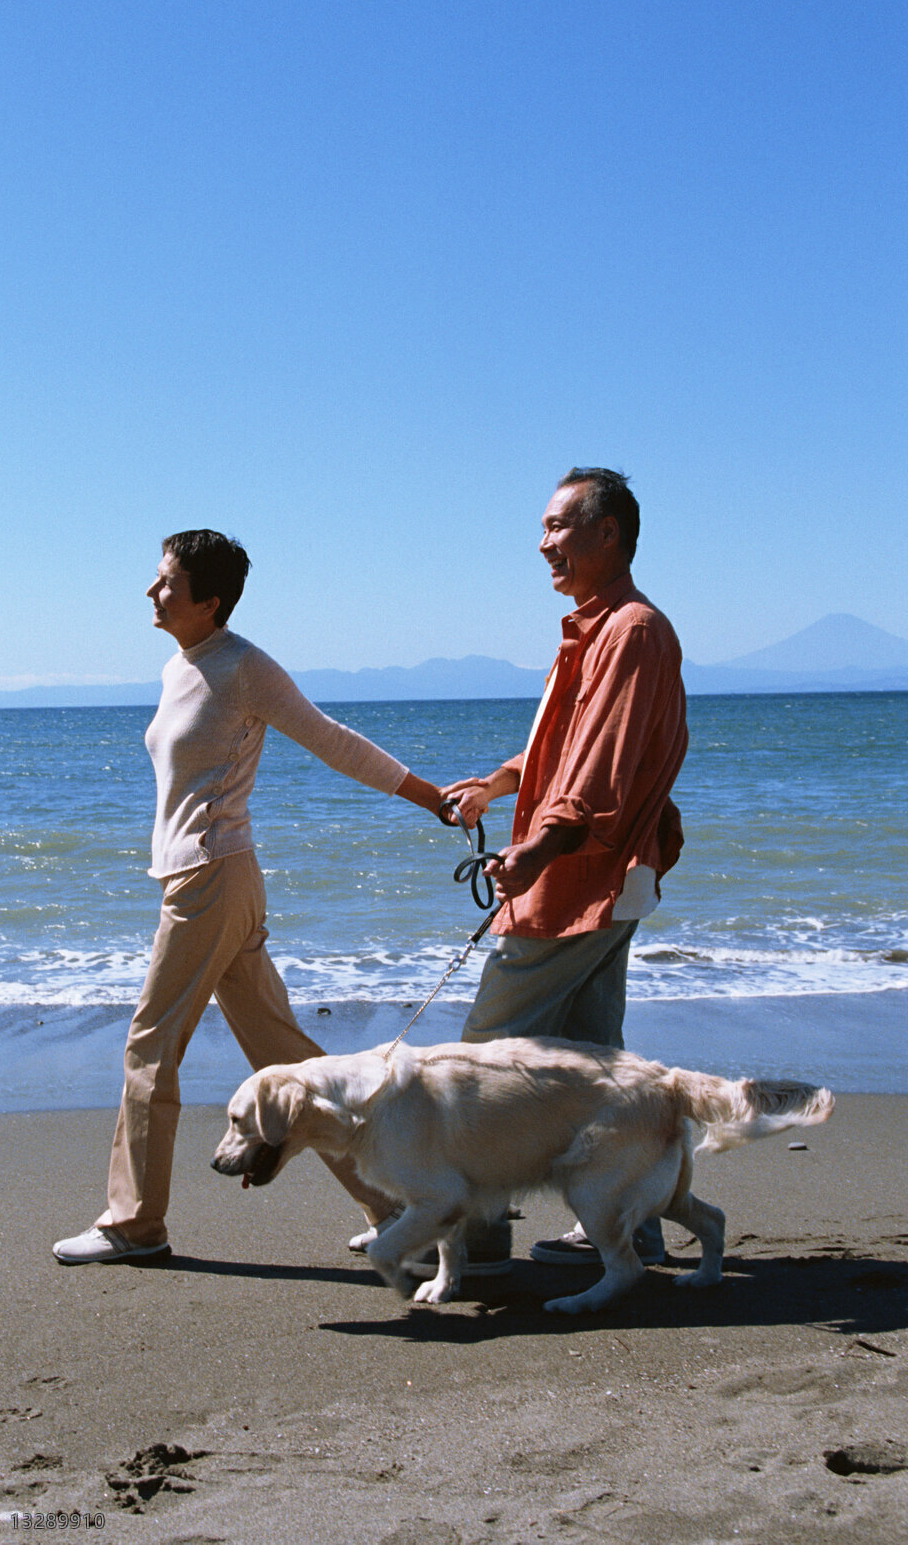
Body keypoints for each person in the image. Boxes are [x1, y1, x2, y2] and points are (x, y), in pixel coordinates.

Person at [54, 529, 443, 1264]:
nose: (151, 591)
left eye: (166, 582)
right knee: (283, 1054)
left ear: (212, 601)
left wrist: (429, 798)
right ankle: (399, 1208)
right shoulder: (181, 667)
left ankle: (134, 1223)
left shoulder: (244, 668)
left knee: (149, 1047)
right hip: (209, 880)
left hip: (212, 879)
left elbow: (333, 740)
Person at [442, 467, 687, 1270]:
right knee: (596, 1064)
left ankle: (472, 1242)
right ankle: (629, 1229)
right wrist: (503, 781)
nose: (543, 543)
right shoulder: (600, 626)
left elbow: (601, 773)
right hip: (602, 881)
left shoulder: (631, 631)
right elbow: (567, 745)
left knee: (485, 1058)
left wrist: (539, 848)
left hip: (585, 882)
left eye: (556, 526)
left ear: (606, 532)